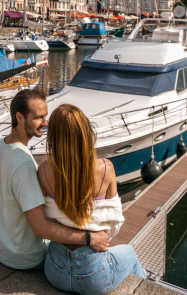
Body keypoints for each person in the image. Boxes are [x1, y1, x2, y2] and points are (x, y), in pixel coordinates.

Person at [0, 89, 109, 271]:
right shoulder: (24, 165)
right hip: (27, 256)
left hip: (3, 248)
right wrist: (90, 238)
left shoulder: (0, 146)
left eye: (45, 116)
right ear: (20, 118)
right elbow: (40, 228)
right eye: (39, 117)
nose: (45, 123)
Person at [39, 104, 146, 295]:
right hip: (93, 276)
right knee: (129, 252)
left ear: (53, 136)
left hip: (54, 270)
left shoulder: (43, 170)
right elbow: (114, 225)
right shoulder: (105, 168)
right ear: (85, 132)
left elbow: (47, 219)